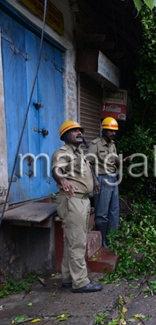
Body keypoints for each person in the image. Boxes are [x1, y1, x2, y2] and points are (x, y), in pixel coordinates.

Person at [52, 120, 102, 293]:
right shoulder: (62, 153)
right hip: (71, 200)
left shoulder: (79, 152)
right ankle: (80, 282)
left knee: (71, 240)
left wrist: (94, 180)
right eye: (74, 131)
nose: (79, 133)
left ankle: (67, 277)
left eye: (80, 130)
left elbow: (86, 170)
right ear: (66, 135)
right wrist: (63, 179)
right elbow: (56, 170)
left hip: (82, 200)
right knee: (78, 242)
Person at [87, 117, 129, 248]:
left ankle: (112, 239)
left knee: (114, 211)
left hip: (112, 178)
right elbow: (88, 163)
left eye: (115, 131)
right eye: (110, 131)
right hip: (102, 178)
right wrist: (94, 181)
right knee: (102, 213)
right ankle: (102, 241)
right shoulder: (95, 144)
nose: (113, 133)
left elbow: (114, 161)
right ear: (104, 130)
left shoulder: (112, 144)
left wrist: (122, 162)